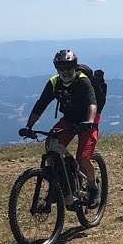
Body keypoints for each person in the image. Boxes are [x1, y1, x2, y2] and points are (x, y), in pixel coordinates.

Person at [19, 49, 101, 210]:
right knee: (51, 144)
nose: (65, 71)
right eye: (61, 68)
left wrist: (90, 121)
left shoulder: (83, 81)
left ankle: (93, 187)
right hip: (69, 119)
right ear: (56, 69)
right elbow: (40, 105)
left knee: (83, 158)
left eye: (68, 68)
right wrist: (29, 127)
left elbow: (92, 103)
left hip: (87, 120)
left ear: (74, 67)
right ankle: (61, 179)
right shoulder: (54, 83)